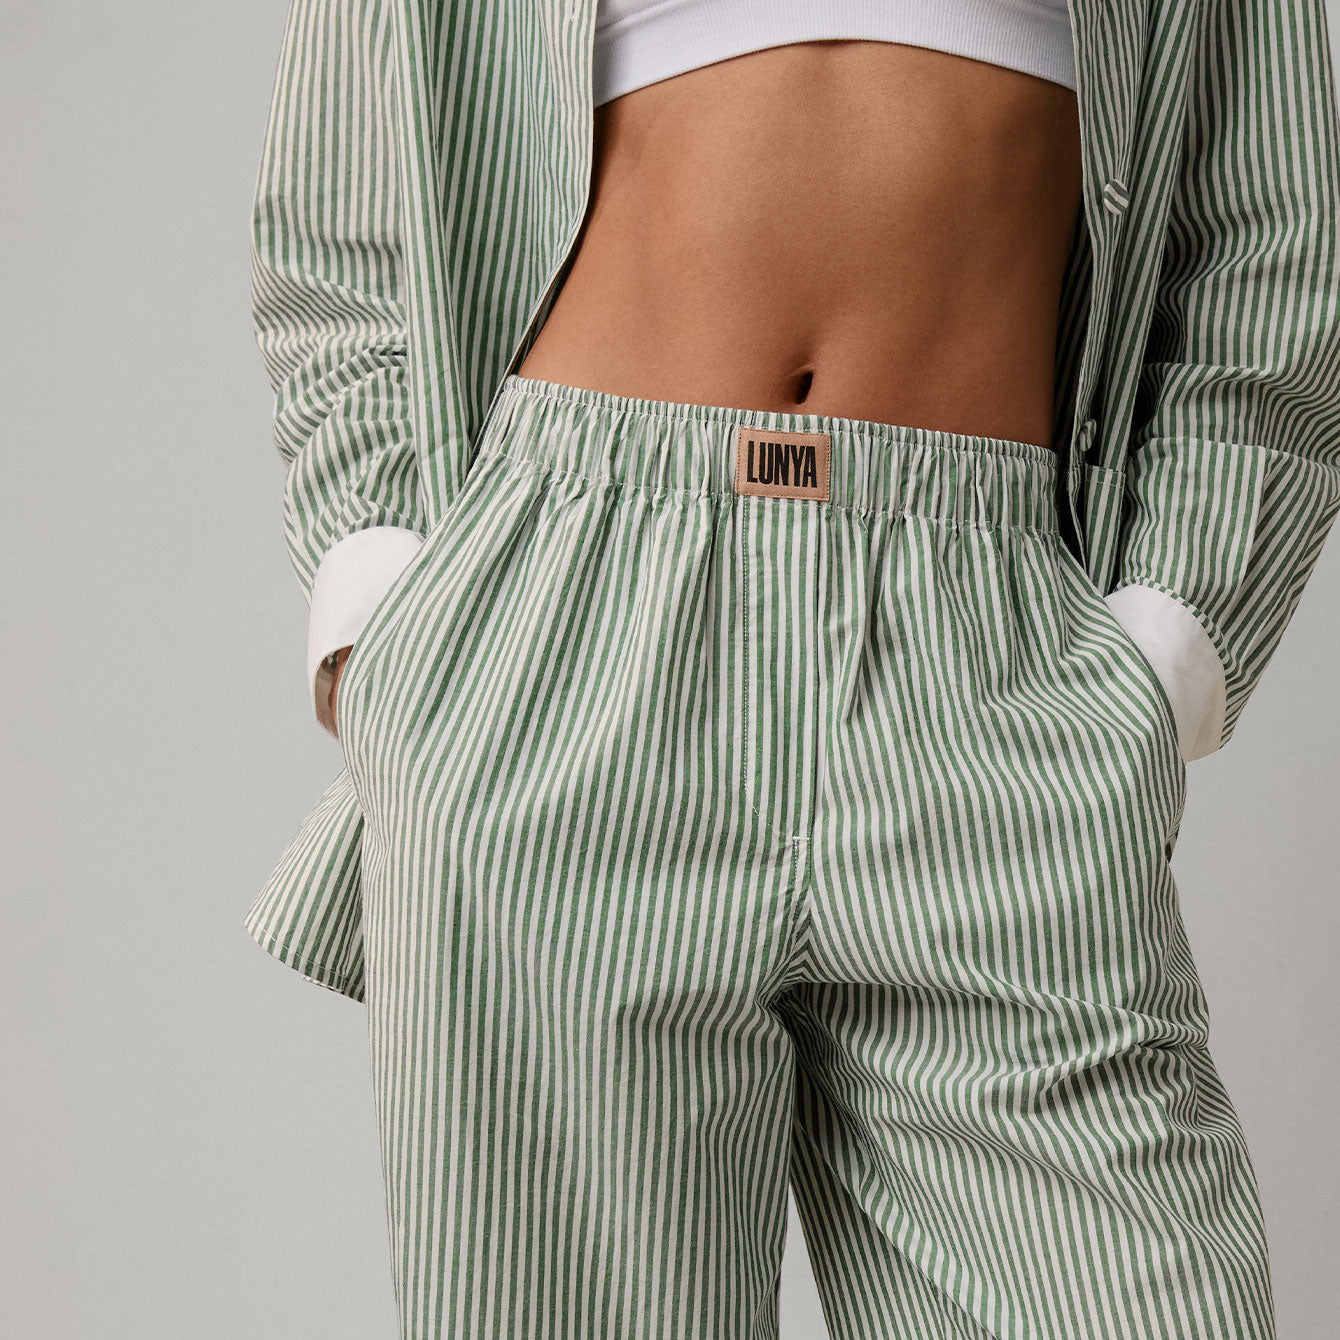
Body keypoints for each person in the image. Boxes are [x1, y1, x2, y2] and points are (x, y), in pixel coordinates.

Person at [243, 2, 1340, 1336]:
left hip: (987, 647)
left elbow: (1272, 236)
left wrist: (1167, 647)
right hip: (571, 627)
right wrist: (383, 611)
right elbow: (346, 197)